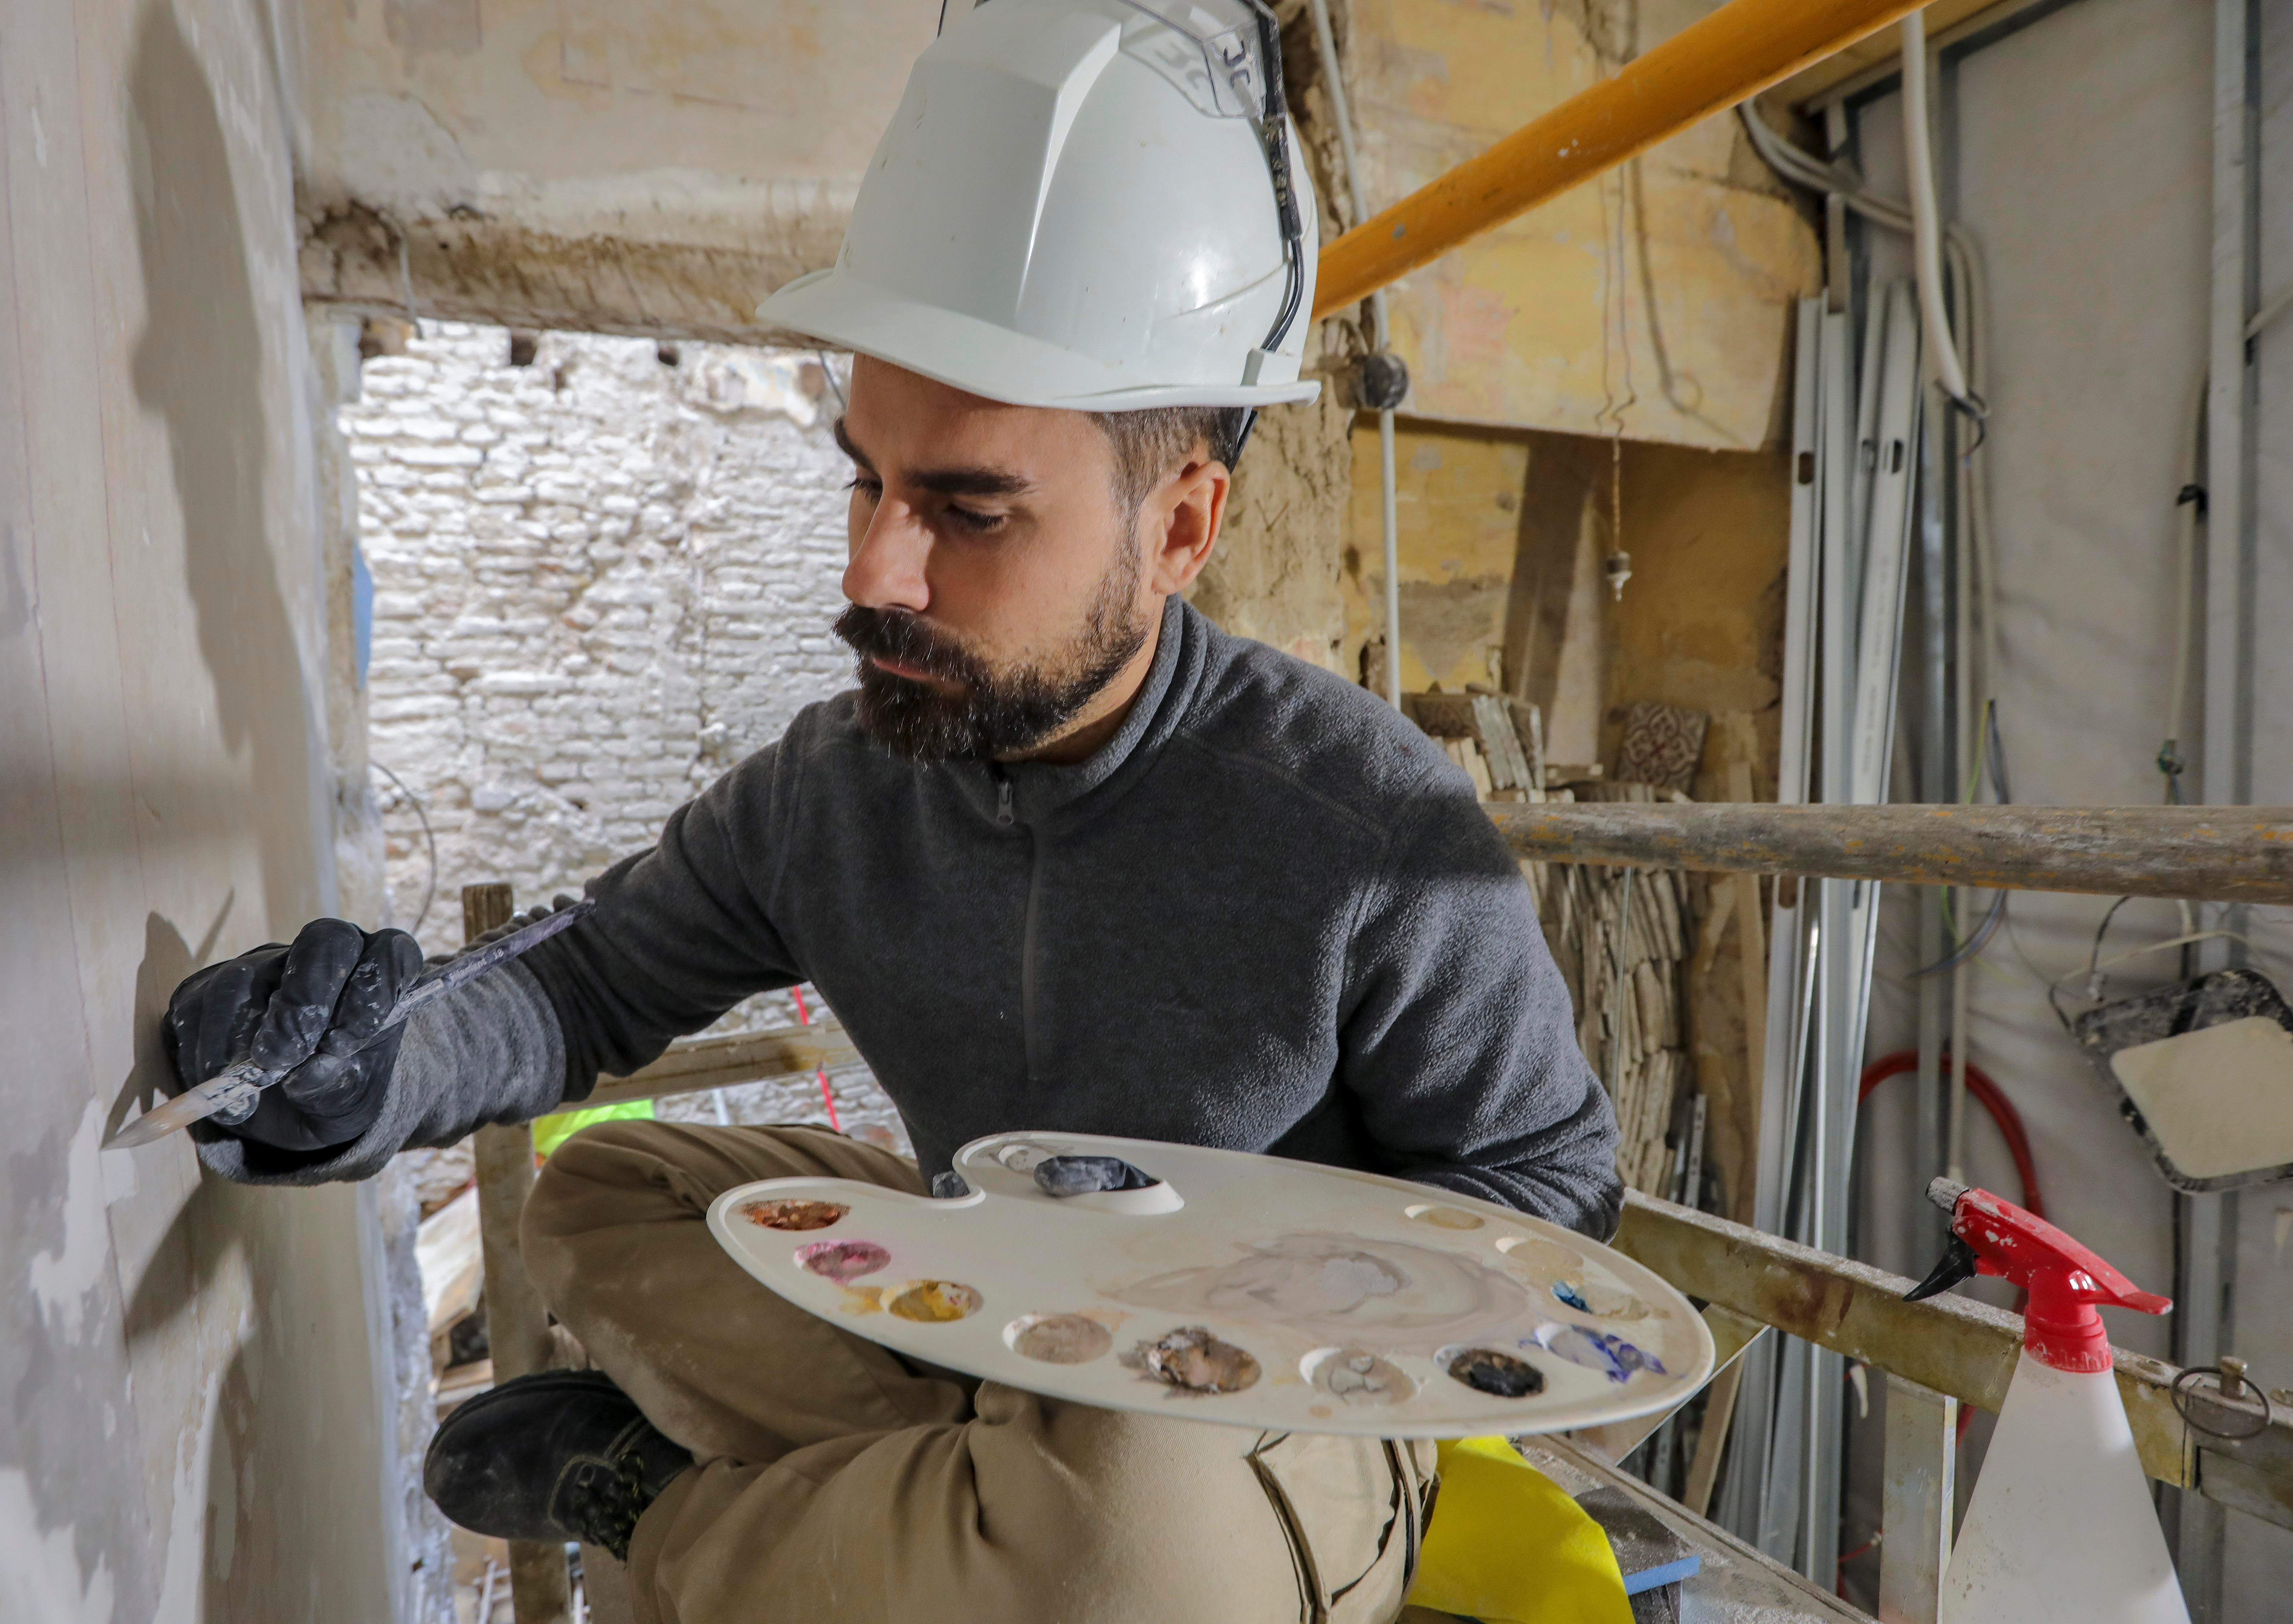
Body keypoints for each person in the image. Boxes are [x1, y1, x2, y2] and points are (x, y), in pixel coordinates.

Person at [160, 3, 1620, 1618]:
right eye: (866, 478)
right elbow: (577, 987)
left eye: (967, 511)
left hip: (1261, 1408)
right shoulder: (831, 791)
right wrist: (354, 1073)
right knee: (606, 1191)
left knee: (1130, 1544)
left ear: (1184, 524)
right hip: (976, 1289)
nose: (873, 573)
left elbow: (1550, 1185)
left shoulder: (1372, 824)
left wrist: (1227, 1300)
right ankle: (969, 1487)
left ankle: (673, 1516)